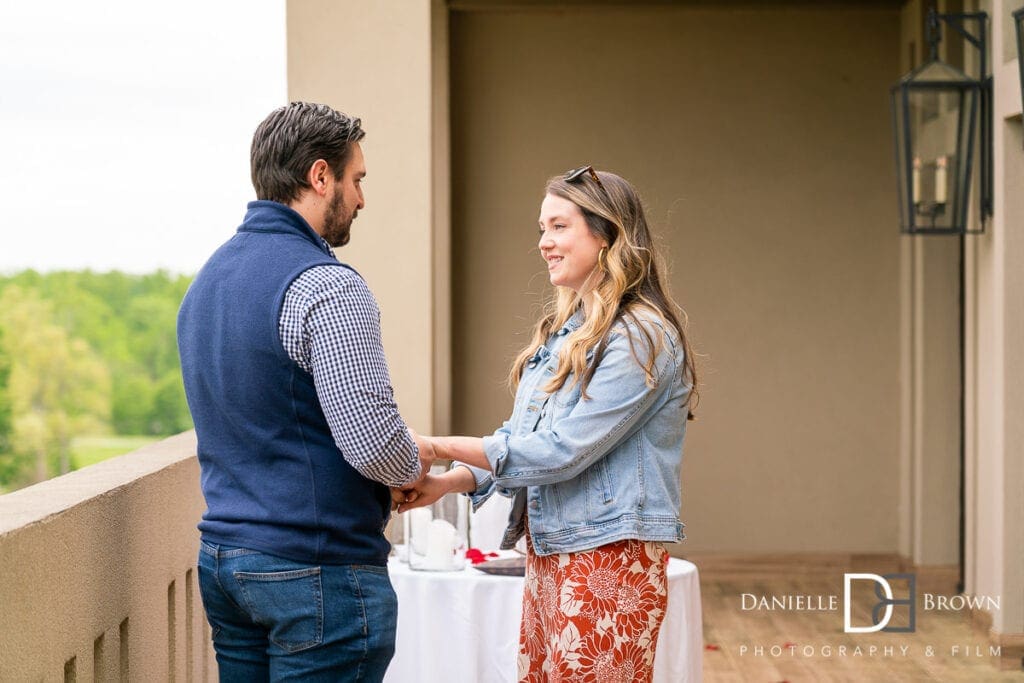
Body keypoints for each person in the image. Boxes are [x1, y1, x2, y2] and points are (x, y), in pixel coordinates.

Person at [398, 166, 697, 682]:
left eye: (559, 227)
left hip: (609, 559)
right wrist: (450, 480)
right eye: (542, 228)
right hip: (554, 552)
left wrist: (434, 445)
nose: (544, 242)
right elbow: (525, 444)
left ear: (607, 235)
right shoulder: (567, 333)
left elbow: (562, 452)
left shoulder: (640, 336)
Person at [177, 102, 431, 682]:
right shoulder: (329, 286)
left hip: (226, 563)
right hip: (314, 573)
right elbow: (372, 443)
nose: (362, 198)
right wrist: (415, 464)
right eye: (357, 179)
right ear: (321, 177)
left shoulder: (207, 282)